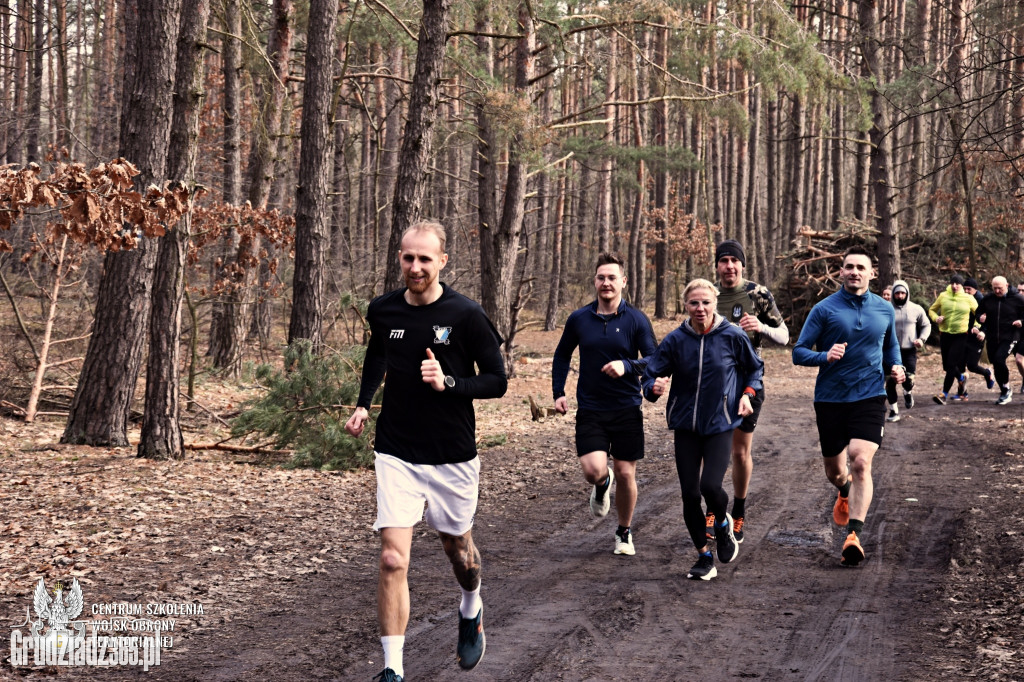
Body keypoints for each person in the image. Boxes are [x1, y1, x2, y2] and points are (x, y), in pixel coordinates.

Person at [345, 221, 508, 682]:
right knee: (392, 557)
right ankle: (393, 669)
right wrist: (363, 404)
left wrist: (449, 383)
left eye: (424, 259)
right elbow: (378, 354)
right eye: (407, 257)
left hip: (452, 455)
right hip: (396, 450)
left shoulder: (466, 314)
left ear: (442, 261)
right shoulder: (383, 310)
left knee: (460, 552)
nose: (414, 267)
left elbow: (497, 381)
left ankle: (471, 606)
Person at [642, 279, 764, 581]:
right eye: (694, 303)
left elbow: (755, 368)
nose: (700, 308)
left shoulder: (733, 336)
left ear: (714, 303)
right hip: (685, 425)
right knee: (689, 494)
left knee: (711, 486)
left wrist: (748, 393)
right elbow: (651, 373)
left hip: (720, 423)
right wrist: (653, 388)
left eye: (706, 303)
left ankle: (722, 525)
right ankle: (703, 556)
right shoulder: (675, 340)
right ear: (686, 305)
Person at [792, 246, 905, 566]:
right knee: (835, 470)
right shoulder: (824, 309)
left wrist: (896, 367)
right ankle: (843, 490)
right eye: (848, 267)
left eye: (860, 267)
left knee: (860, 461)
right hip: (830, 398)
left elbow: (891, 349)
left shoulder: (884, 310)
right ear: (840, 272)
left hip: (869, 396)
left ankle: (853, 535)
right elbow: (798, 352)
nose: (854, 271)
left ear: (872, 274)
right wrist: (823, 356)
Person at [552, 253, 658, 556]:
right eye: (601, 278)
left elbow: (655, 358)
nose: (606, 283)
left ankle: (623, 532)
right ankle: (601, 484)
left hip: (626, 407)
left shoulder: (636, 319)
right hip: (591, 409)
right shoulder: (579, 318)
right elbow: (562, 355)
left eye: (612, 278)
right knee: (593, 470)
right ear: (595, 281)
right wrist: (558, 391)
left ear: (623, 281)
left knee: (626, 473)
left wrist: (628, 366)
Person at [712, 239, 789, 544]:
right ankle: (714, 510)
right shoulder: (709, 294)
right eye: (724, 260)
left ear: (742, 265)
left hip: (748, 383)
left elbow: (784, 336)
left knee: (739, 451)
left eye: (734, 260)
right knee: (712, 452)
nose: (729, 266)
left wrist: (762, 327)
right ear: (717, 265)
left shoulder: (758, 294)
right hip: (713, 386)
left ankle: (739, 509)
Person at [884, 280, 931, 422]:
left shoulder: (916, 309)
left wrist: (921, 339)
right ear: (893, 294)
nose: (900, 295)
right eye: (897, 293)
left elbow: (926, 325)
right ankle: (894, 411)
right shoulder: (886, 309)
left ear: (907, 293)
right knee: (890, 382)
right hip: (890, 351)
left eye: (902, 293)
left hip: (909, 350)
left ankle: (907, 391)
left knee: (908, 379)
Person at [928, 274, 978, 404]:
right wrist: (936, 318)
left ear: (961, 286)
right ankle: (961, 378)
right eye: (953, 283)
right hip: (945, 335)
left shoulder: (968, 298)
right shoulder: (943, 296)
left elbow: (979, 314)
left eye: (958, 284)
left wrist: (977, 326)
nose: (955, 286)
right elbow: (932, 310)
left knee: (951, 365)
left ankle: (943, 394)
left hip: (961, 335)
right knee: (947, 366)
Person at [974, 276, 1024, 405]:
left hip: (1010, 336)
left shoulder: (1018, 299)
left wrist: (1021, 321)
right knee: (995, 363)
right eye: (994, 288)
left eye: (999, 288)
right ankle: (1004, 390)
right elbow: (978, 313)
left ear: (1006, 285)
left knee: (999, 359)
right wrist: (981, 318)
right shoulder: (988, 299)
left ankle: (1006, 389)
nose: (997, 291)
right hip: (992, 336)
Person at [961, 277, 995, 397]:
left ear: (975, 289)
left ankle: (987, 373)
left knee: (972, 365)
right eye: (964, 288)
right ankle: (962, 393)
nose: (966, 291)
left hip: (977, 337)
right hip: (964, 335)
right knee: (960, 364)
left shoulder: (981, 300)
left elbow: (988, 319)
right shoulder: (963, 298)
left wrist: (983, 331)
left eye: (969, 289)